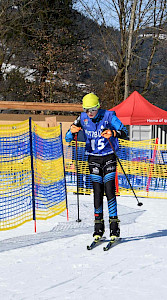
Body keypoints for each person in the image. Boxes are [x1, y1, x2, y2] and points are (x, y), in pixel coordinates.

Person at [65, 93, 128, 239]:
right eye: (87, 109)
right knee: (97, 192)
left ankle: (114, 227)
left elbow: (124, 132)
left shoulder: (109, 116)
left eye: (92, 109)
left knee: (109, 190)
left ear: (98, 107)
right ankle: (98, 227)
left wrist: (113, 132)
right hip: (93, 158)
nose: (89, 113)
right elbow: (69, 137)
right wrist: (71, 131)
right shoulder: (82, 118)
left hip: (109, 157)